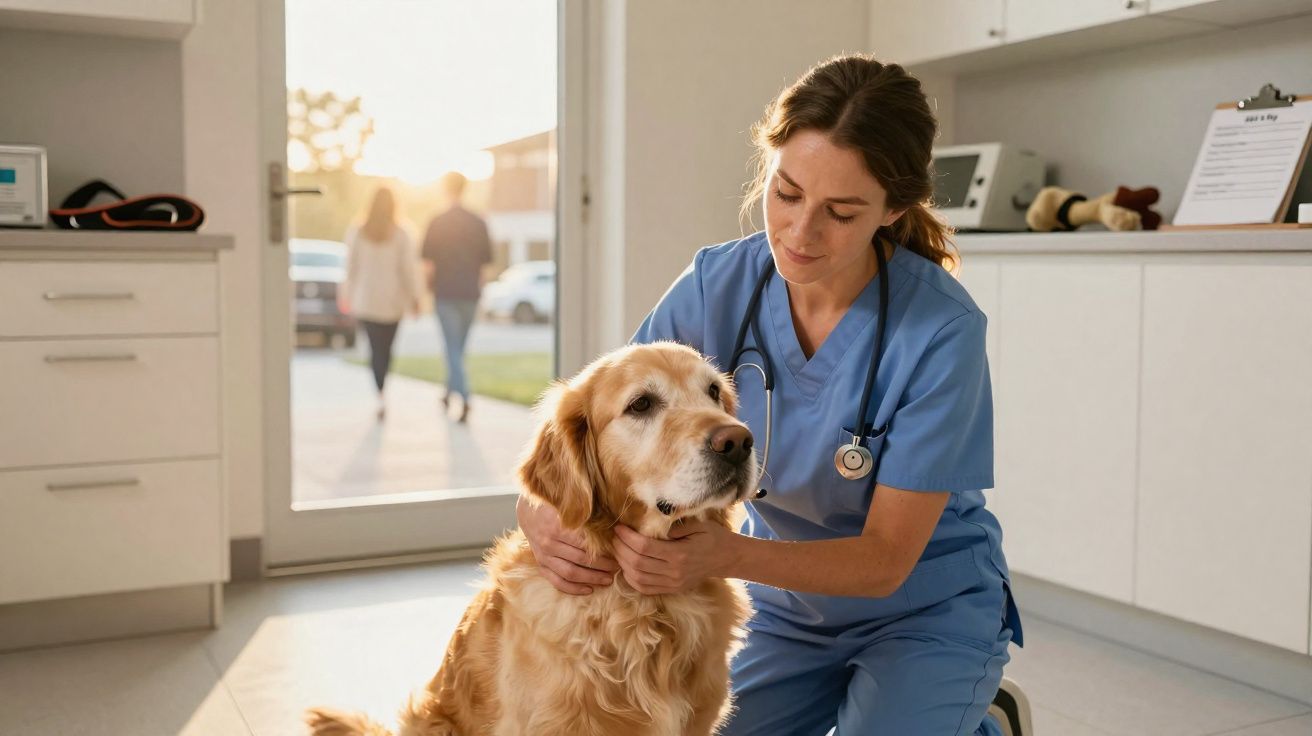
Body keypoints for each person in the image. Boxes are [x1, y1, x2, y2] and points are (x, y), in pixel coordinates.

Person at [516, 55, 1023, 735]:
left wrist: (723, 556)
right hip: (786, 604)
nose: (799, 233)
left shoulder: (940, 331)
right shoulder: (715, 284)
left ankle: (977, 720)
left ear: (893, 209)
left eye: (840, 213)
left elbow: (885, 561)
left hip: (923, 608)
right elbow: (607, 424)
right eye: (786, 193)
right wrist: (540, 517)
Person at [339, 186, 422, 421]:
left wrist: (346, 295)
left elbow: (350, 268)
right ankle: (382, 391)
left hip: (366, 302)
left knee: (376, 350)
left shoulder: (358, 231)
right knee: (386, 351)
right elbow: (408, 271)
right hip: (392, 303)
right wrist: (414, 298)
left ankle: (379, 394)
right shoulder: (401, 233)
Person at [421, 171, 492, 423]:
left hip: (446, 293)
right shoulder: (478, 222)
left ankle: (463, 397)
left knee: (452, 349)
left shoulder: (437, 221)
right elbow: (485, 265)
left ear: (444, 188)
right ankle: (448, 392)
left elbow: (428, 264)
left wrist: (429, 289)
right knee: (458, 349)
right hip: (470, 294)